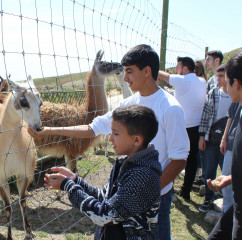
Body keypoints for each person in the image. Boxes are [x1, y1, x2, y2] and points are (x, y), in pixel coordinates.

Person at [29, 44, 190, 240]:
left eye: (129, 72)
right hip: (124, 191)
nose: (125, 78)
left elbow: (179, 159)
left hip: (155, 198)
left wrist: (150, 192)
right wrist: (49, 131)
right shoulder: (129, 104)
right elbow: (92, 128)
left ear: (147, 71)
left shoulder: (170, 108)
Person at [44, 104, 162, 239]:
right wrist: (75, 180)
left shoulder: (142, 176)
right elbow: (103, 197)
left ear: (136, 140)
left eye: (116, 134)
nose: (110, 138)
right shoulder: (125, 163)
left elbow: (104, 215)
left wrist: (68, 186)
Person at [158, 56, 206, 201]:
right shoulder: (202, 81)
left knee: (172, 156)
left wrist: (159, 74)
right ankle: (186, 191)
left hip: (181, 127)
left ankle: (167, 186)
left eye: (178, 67)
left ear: (185, 68)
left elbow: (163, 75)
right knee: (191, 160)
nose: (175, 70)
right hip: (196, 128)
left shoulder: (182, 80)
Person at [206, 51, 242, 240]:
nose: (225, 89)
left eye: (226, 82)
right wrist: (231, 178)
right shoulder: (239, 108)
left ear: (236, 83)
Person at [198, 64, 232, 212]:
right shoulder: (213, 93)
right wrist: (202, 137)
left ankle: (227, 201)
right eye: (217, 76)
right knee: (209, 170)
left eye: (221, 76)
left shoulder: (235, 95)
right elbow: (205, 116)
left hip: (228, 142)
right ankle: (208, 198)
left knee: (226, 170)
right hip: (212, 139)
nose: (217, 79)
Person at [220, 102, 241, 212]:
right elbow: (230, 117)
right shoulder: (237, 98)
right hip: (231, 143)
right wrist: (224, 139)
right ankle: (226, 210)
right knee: (226, 177)